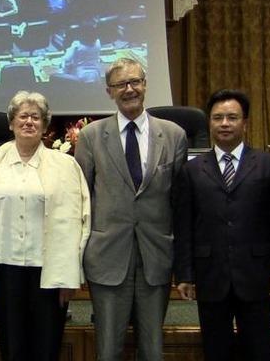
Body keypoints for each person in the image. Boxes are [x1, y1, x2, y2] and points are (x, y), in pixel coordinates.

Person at [73, 57, 188, 361]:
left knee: (152, 350)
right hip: (107, 257)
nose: (129, 89)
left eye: (135, 81)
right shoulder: (91, 136)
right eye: (121, 84)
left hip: (156, 256)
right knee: (108, 350)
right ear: (109, 91)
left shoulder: (174, 135)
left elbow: (180, 202)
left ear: (145, 85)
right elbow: (81, 200)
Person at [174, 89, 270, 361]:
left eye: (232, 117)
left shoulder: (269, 166)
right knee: (216, 351)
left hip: (258, 276)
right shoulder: (191, 170)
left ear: (245, 123)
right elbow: (184, 226)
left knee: (260, 350)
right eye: (217, 118)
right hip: (210, 275)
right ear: (209, 123)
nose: (224, 123)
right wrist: (184, 274)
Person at [0, 91, 90, 360]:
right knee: (12, 347)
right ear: (11, 123)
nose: (29, 122)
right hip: (4, 269)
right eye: (23, 116)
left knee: (46, 348)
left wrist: (69, 275)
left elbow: (79, 223)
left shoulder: (66, 165)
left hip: (49, 272)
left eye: (36, 117)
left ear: (45, 124)